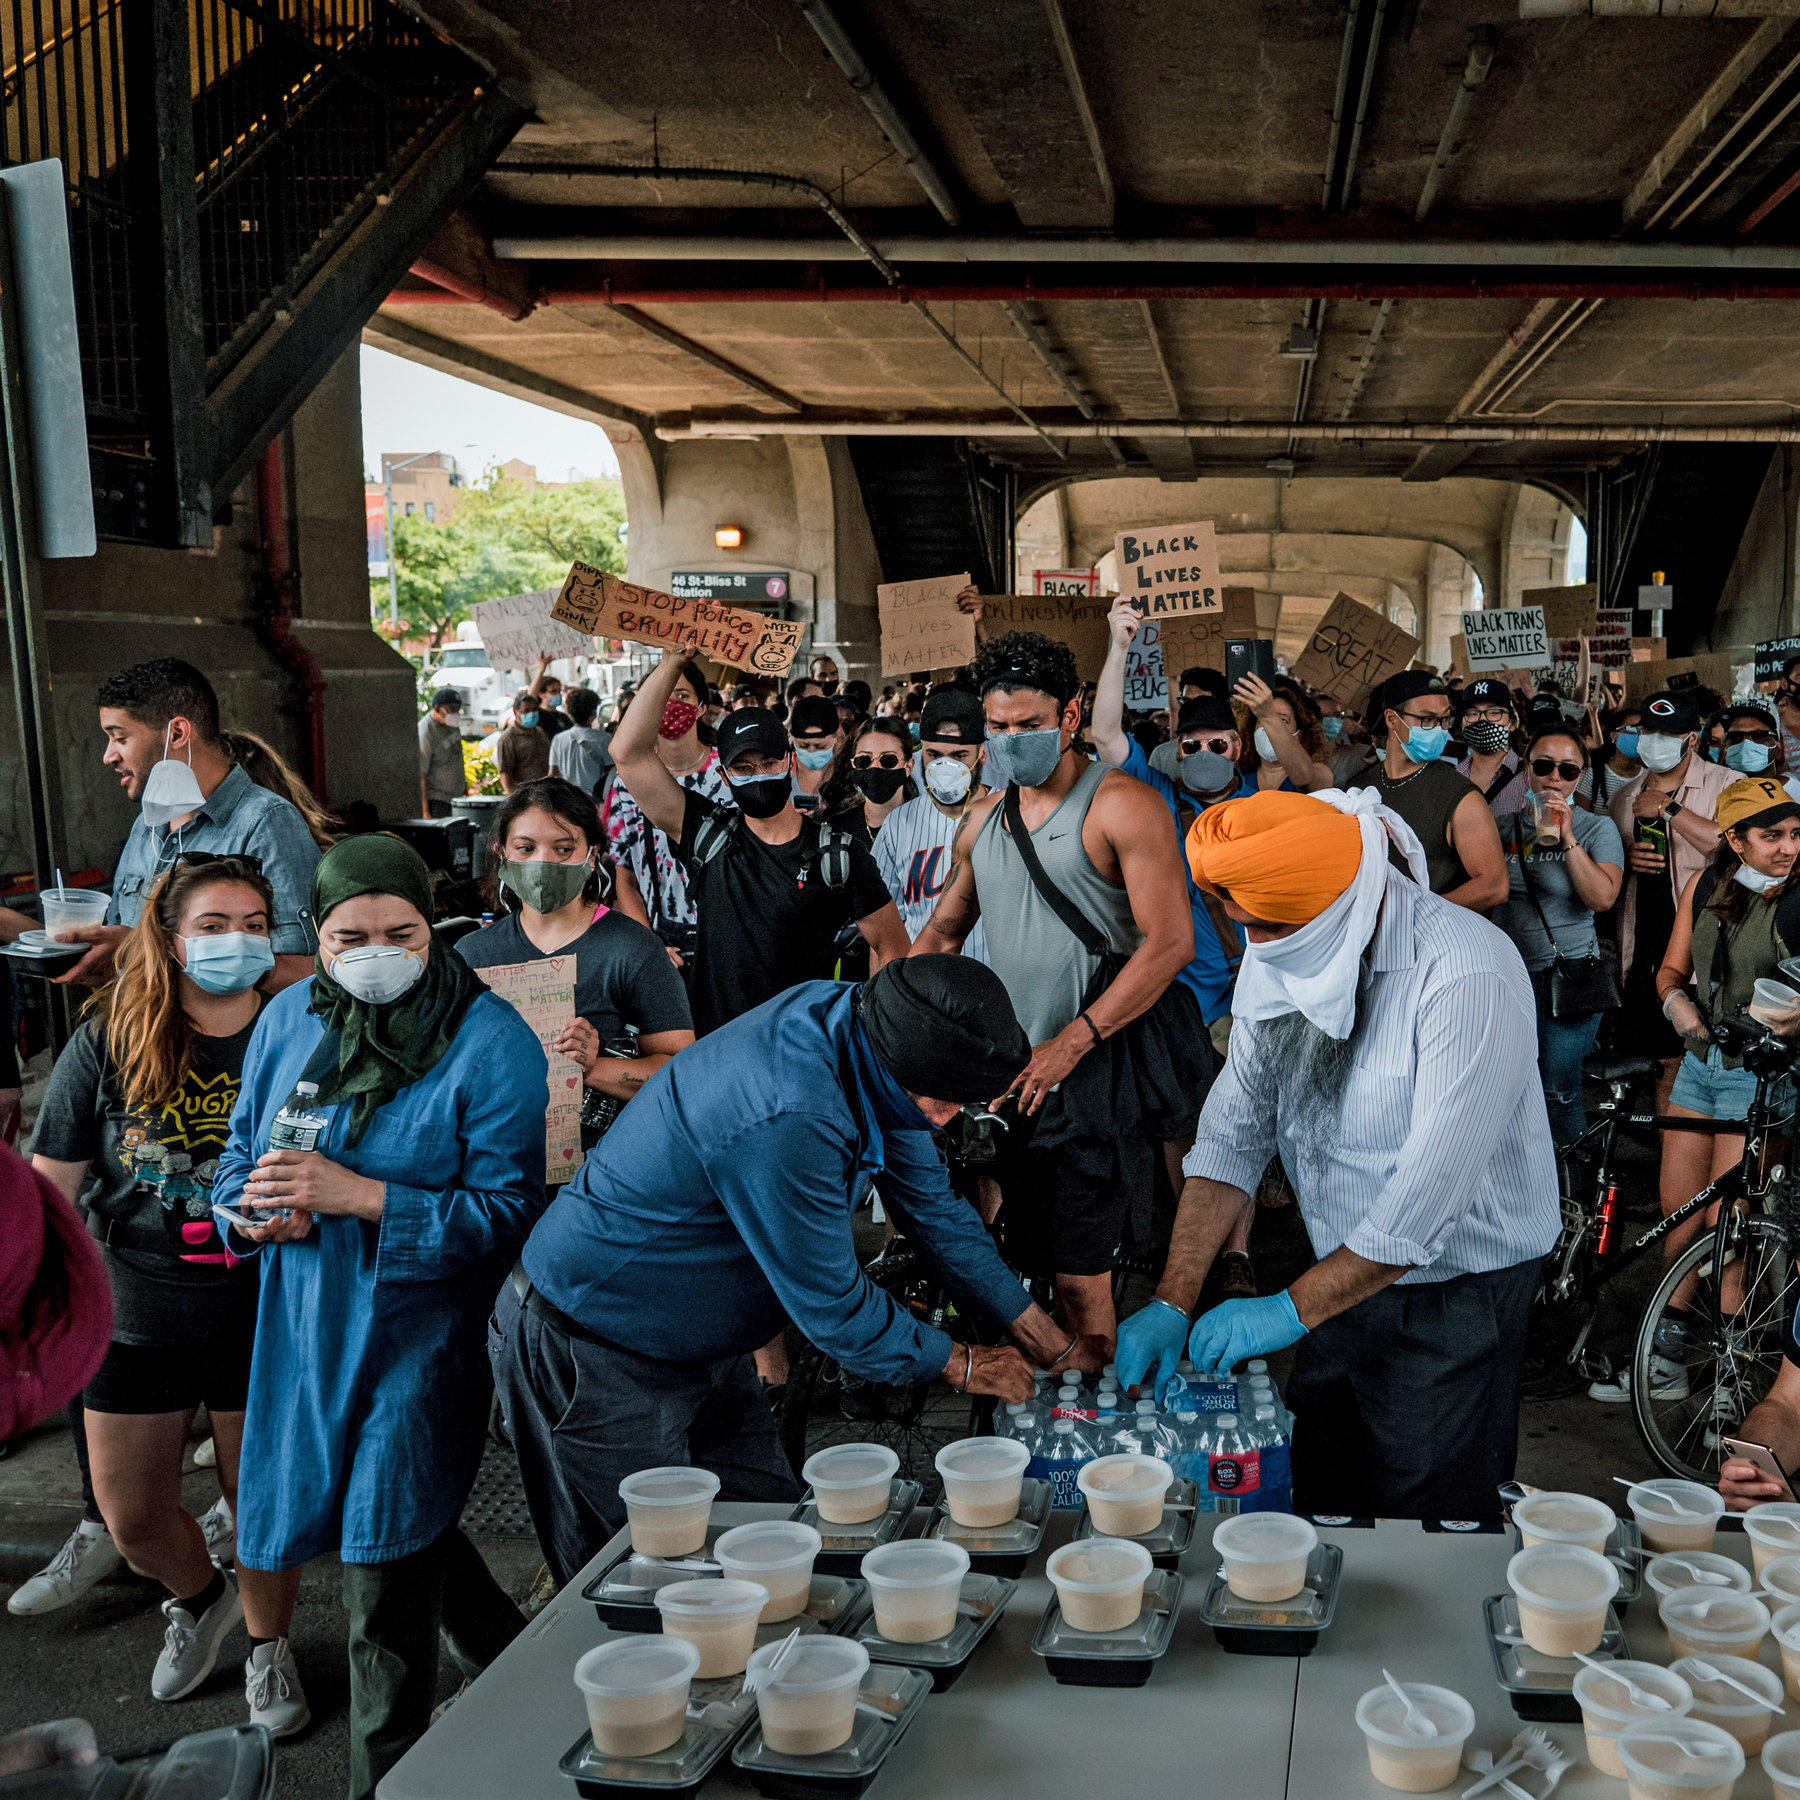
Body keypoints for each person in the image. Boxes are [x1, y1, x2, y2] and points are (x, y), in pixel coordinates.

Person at [490, 956, 1103, 1585]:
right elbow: (836, 1308)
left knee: (772, 1551)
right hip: (592, 1349)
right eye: (941, 1103)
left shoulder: (871, 1028)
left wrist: (1046, 1340)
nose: (944, 1118)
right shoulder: (790, 1111)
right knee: (648, 1587)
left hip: (703, 1351)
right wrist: (964, 1363)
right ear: (896, 1065)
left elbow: (936, 1212)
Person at [1115, 788, 1560, 1520]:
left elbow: (1419, 1212)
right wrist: (1172, 1296)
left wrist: (1287, 1311)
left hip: (1456, 1291)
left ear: (1345, 905)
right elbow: (1232, 1136)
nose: (1257, 948)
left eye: (1273, 930)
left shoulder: (1465, 974)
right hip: (1336, 1274)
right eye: (1247, 929)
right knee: (1323, 1483)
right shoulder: (1283, 943)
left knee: (1430, 1510)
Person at [212, 835, 549, 1799]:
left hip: (420, 1334)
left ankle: (387, 1777)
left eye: (398, 932)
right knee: (400, 1527)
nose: (374, 951)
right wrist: (251, 1209)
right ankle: (516, 1663)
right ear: (314, 936)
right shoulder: (284, 1023)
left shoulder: (491, 1043)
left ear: (430, 926)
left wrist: (365, 1198)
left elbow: (509, 1213)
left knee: (382, 1569)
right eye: (348, 934)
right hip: (304, 1325)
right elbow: (241, 1155)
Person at [23, 856, 311, 1729]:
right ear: (170, 938)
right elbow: (52, 1179)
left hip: (263, 1306)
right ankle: (198, 1596)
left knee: (259, 1502)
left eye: (255, 922)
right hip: (136, 1306)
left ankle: (270, 1649)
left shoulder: (299, 1029)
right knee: (133, 1516)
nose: (237, 940)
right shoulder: (111, 1036)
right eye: (213, 925)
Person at [912, 630, 1203, 1352]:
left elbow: (1170, 943)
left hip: (1096, 1068)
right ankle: (1053, 1411)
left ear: (1071, 717)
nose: (1012, 742)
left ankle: (1095, 1430)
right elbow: (942, 934)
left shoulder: (1123, 806)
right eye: (999, 729)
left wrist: (1070, 1044)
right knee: (1026, 1261)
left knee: (1082, 1278)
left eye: (1029, 726)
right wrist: (885, 1019)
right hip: (1014, 1077)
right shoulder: (982, 821)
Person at [1593, 775, 1800, 1409]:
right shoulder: (1706, 885)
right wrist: (1678, 1006)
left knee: (1728, 1226)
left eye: (1796, 834)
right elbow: (1669, 970)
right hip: (1699, 1066)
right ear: (1734, 840)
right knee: (1680, 1216)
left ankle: (1732, 1386)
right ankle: (1666, 1358)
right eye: (1772, 836)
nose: (1789, 848)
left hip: (1761, 1074)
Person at [612, 648, 908, 1037]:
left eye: (769, 763)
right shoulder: (705, 833)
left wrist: (871, 1032)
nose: (759, 775)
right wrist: (673, 663)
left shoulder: (837, 853)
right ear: (725, 773)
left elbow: (894, 950)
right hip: (719, 1049)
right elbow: (628, 753)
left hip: (802, 1051)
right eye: (744, 768)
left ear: (788, 760)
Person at [1094, 602, 1255, 1290]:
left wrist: (1273, 710)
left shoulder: (1258, 801)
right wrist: (1118, 645)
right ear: (1174, 747)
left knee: (1242, 1127)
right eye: (1192, 745)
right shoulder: (1153, 793)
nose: (1205, 755)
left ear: (1237, 750)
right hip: (1176, 994)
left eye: (1219, 744)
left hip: (1248, 991)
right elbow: (1103, 733)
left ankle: (1238, 1256)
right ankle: (1191, 1242)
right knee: (1181, 1126)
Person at [457, 779, 693, 1155]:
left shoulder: (632, 949)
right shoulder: (471, 956)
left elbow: (681, 1071)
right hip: (493, 1167)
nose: (543, 863)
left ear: (592, 854)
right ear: (501, 852)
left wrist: (593, 1067)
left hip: (600, 1173)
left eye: (563, 849)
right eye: (526, 848)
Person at [62, 659, 322, 989]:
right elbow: (122, 957)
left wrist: (145, 951)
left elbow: (310, 971)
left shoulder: (266, 822)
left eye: (120, 737)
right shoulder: (146, 826)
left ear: (178, 733)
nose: (108, 755)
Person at [1490, 729, 1625, 1148]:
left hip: (1567, 975)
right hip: (1507, 974)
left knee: (1555, 1086)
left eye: (1567, 771)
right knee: (1508, 1088)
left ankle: (1574, 1186)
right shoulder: (1499, 826)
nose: (1554, 779)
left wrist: (1566, 839)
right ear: (1527, 769)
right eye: (1543, 766)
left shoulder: (1595, 828)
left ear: (1579, 777)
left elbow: (1602, 897)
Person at [1607, 689, 1730, 1109]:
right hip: (1642, 950)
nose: (1656, 740)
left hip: (1704, 954)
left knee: (1701, 1067)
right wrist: (1625, 861)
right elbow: (1607, 875)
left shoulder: (1727, 785)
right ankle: (1670, 1163)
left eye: (1669, 732)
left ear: (1691, 739)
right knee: (1663, 1066)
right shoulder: (1623, 798)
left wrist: (1668, 810)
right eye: (1650, 731)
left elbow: (1732, 847)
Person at [604, 656, 729, 969]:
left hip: (727, 933)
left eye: (683, 696)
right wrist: (650, 945)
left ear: (702, 707)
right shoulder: (627, 782)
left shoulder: (730, 772)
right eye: (661, 696)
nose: (671, 704)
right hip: (661, 938)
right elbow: (626, 876)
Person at [1349, 671, 1507, 911]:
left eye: (1444, 720)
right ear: (1392, 719)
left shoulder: (1461, 797)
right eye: (1427, 719)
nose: (1438, 729)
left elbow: (1494, 886)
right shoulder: (1358, 789)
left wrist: (1417, 913)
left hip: (1432, 940)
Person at [873, 688, 990, 957]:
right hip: (922, 982)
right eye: (935, 755)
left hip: (994, 983)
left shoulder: (1009, 814)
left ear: (982, 754)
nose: (946, 768)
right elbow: (884, 925)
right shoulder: (898, 824)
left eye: (960, 756)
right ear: (920, 753)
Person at [1233, 674, 1334, 792]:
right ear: (1252, 731)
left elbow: (1304, 778)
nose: (1269, 729)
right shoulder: (1238, 778)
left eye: (1282, 720)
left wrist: (1268, 714)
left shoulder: (1320, 773)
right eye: (1261, 720)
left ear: (1299, 736)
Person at [1455, 677, 1529, 816]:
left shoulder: (1530, 778)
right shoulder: (1451, 778)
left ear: (1512, 724)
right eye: (1472, 713)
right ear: (1462, 723)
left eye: (1494, 712)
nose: (1482, 719)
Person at [548, 687, 613, 798]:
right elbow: (610, 774)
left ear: (569, 712)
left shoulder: (558, 739)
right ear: (593, 713)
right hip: (595, 799)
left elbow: (553, 774)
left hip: (568, 799)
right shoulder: (604, 739)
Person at [789, 695, 844, 817]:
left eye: (820, 746)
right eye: (803, 746)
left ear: (836, 737)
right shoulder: (780, 772)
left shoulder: (848, 775)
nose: (811, 751)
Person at [419, 687, 468, 818]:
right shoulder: (426, 732)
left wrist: (464, 788)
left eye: (458, 709)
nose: (455, 713)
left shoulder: (453, 725)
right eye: (451, 709)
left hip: (457, 797)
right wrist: (425, 811)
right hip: (438, 800)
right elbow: (421, 775)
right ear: (436, 709)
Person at [495, 691, 552, 794]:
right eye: (526, 711)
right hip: (524, 795)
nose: (531, 714)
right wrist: (513, 797)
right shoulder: (508, 739)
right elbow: (505, 773)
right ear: (515, 712)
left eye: (534, 710)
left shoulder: (540, 732)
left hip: (546, 792)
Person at [526, 655, 573, 737]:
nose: (558, 694)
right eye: (553, 691)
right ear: (541, 694)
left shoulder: (563, 717)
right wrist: (541, 671)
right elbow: (530, 696)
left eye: (559, 690)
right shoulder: (538, 715)